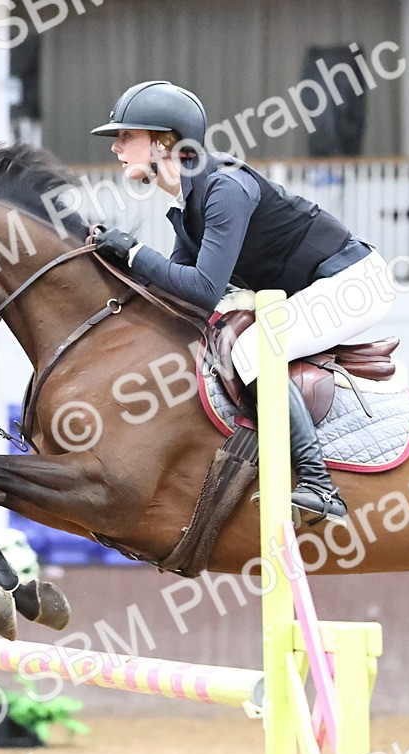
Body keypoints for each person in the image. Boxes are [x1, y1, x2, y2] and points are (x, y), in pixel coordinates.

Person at [89, 80, 393, 524]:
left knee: (252, 351)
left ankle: (319, 484)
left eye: (126, 136)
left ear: (163, 141)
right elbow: (179, 297)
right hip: (315, 288)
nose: (116, 148)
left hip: (353, 284)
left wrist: (134, 252)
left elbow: (202, 289)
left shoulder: (224, 188)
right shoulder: (186, 205)